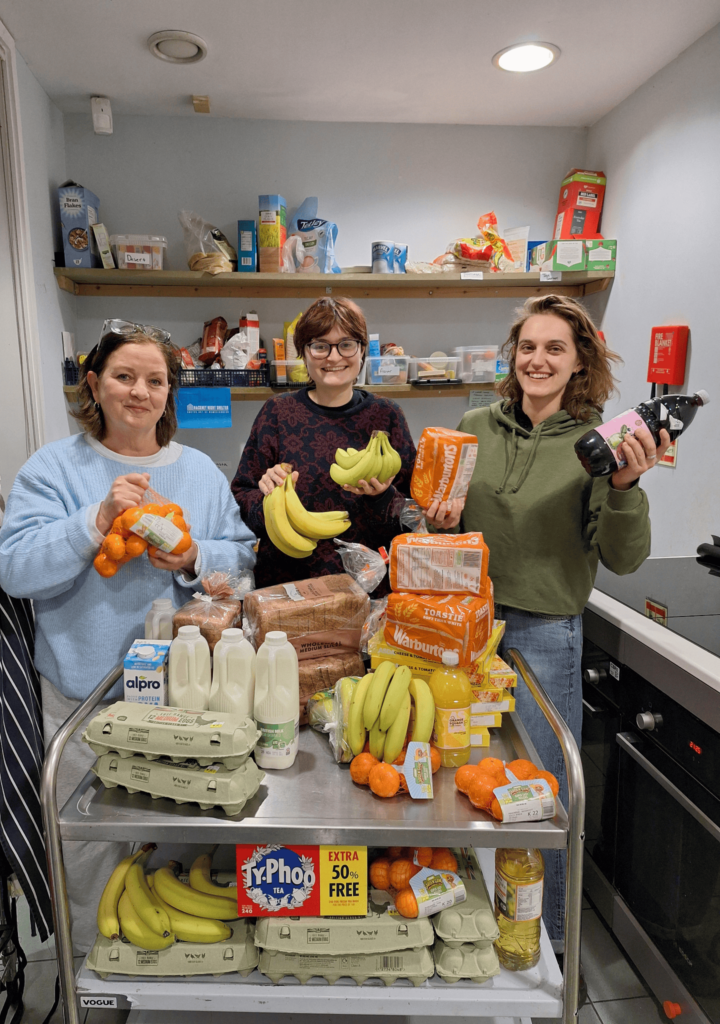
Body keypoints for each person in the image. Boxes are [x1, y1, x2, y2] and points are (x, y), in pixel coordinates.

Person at [0, 319, 256, 950]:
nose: (140, 391)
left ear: (171, 394)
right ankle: (91, 967)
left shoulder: (197, 470)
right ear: (94, 384)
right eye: (124, 376)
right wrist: (96, 520)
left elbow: (244, 562)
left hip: (185, 702)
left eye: (156, 381)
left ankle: (184, 967)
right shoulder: (54, 468)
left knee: (184, 839)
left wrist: (195, 559)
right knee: (87, 848)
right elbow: (15, 568)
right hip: (80, 699)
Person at [427, 294, 669, 954]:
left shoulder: (600, 446)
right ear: (513, 356)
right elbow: (442, 520)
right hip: (466, 630)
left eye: (554, 348)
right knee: (461, 780)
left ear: (578, 361)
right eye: (528, 347)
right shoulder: (474, 423)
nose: (538, 359)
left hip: (543, 635)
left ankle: (551, 950)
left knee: (542, 800)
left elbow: (623, 558)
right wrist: (437, 523)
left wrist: (625, 490)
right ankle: (470, 929)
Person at [231, 297, 416, 595]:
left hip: (368, 587)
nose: (333, 357)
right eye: (319, 345)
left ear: (362, 350)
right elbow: (240, 498)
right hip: (287, 584)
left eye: (346, 344)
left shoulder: (387, 416)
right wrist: (266, 496)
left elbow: (413, 516)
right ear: (304, 353)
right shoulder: (277, 412)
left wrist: (382, 498)